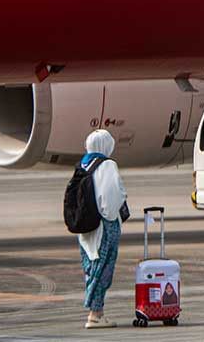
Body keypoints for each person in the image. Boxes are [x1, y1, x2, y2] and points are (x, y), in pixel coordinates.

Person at [77, 130, 127, 329]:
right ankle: (95, 314)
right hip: (104, 225)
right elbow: (112, 197)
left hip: (86, 227)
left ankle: (96, 311)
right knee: (104, 268)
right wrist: (113, 216)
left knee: (91, 267)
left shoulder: (83, 164)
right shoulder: (108, 165)